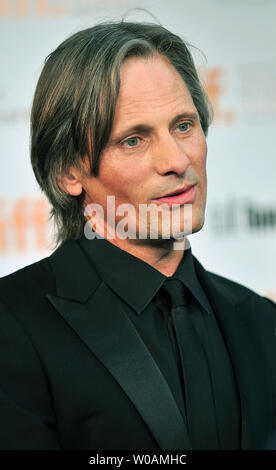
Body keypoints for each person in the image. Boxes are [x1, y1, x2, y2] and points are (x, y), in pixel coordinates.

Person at [0, 20, 275, 451]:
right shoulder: (11, 326)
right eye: (133, 140)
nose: (176, 159)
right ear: (70, 171)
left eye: (183, 125)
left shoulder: (261, 323)